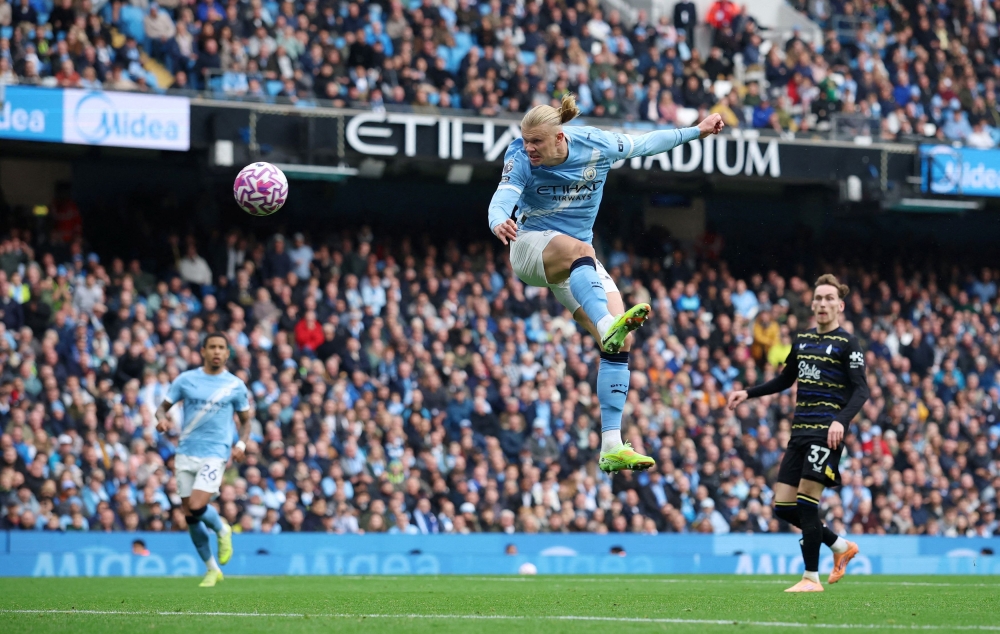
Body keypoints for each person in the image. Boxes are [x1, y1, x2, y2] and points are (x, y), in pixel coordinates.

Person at [487, 93, 724, 474]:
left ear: (560, 137)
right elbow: (503, 198)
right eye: (526, 140)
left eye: (537, 142)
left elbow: (647, 144)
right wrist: (498, 220)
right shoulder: (519, 158)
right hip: (531, 248)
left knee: (620, 341)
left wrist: (695, 132)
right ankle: (605, 326)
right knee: (589, 270)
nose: (528, 147)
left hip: (578, 260)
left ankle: (611, 445)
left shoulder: (597, 144)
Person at [727, 274, 869, 592]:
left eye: (829, 298)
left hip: (826, 433)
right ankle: (840, 545)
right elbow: (784, 380)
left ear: (840, 305)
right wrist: (747, 393)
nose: (822, 303)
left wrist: (841, 421)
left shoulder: (848, 343)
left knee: (807, 503)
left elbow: (862, 391)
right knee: (783, 507)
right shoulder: (803, 340)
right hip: (799, 433)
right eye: (818, 298)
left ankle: (811, 578)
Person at [155, 333, 251, 587]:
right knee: (190, 516)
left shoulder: (235, 385)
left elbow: (247, 420)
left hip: (215, 452)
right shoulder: (186, 380)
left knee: (197, 505)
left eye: (221, 347)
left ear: (227, 353)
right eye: (213, 347)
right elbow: (162, 407)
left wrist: (241, 443)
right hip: (186, 452)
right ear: (203, 351)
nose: (217, 352)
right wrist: (161, 419)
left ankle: (222, 529)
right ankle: (211, 569)